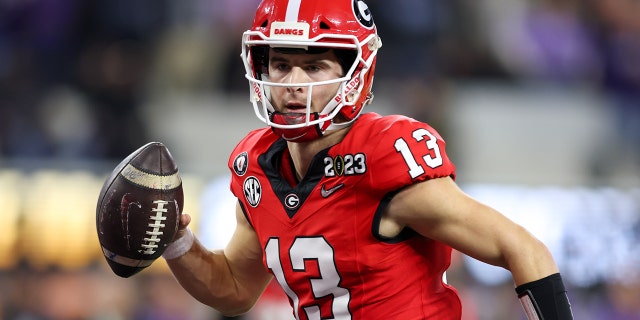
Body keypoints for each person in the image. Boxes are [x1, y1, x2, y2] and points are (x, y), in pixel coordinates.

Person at [161, 0, 574, 319]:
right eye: (281, 65)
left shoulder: (383, 156)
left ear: (354, 73)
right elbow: (234, 288)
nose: (293, 84)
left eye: (314, 66)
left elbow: (523, 249)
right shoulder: (256, 164)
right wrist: (177, 242)